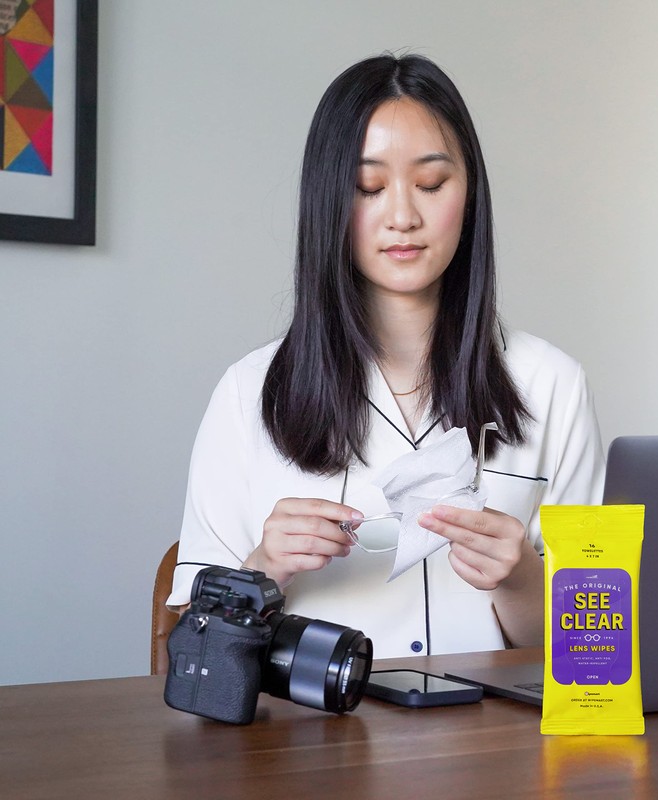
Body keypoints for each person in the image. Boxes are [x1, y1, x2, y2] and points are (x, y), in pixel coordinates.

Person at [167, 53, 605, 659]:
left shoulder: (551, 384)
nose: (403, 216)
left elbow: (588, 651)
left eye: (431, 184)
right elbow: (195, 650)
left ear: (469, 195)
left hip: (488, 720)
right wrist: (265, 567)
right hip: (308, 718)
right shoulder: (250, 392)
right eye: (368, 188)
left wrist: (522, 577)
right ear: (329, 202)